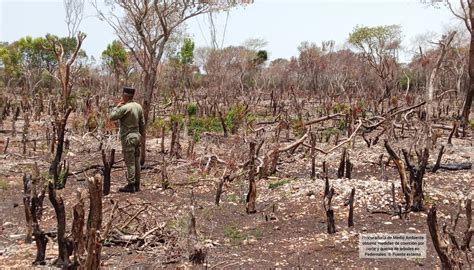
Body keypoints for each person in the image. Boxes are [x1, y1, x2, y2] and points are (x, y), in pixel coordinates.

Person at [109, 87, 145, 193]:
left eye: (122, 95)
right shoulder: (138, 106)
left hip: (128, 138)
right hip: (137, 136)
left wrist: (117, 106)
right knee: (136, 161)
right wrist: (141, 136)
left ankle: (131, 185)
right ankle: (137, 184)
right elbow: (142, 124)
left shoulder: (125, 107)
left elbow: (112, 117)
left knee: (130, 162)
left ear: (125, 95)